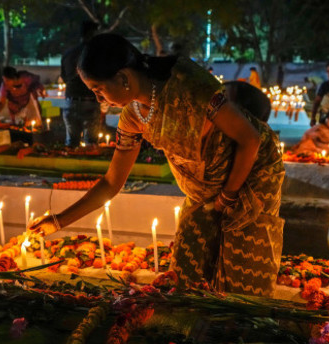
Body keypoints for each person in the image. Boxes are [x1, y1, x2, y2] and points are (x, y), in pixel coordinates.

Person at [30, 34, 285, 295]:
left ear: (122, 78)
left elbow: (250, 140)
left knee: (241, 272)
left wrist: (228, 197)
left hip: (252, 170)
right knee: (187, 273)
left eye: (98, 89)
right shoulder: (133, 117)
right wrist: (58, 221)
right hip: (204, 184)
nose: (98, 99)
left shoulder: (189, 85)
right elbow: (111, 182)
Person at [61, 21, 101, 147]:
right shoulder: (95, 54)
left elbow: (64, 77)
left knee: (71, 143)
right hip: (90, 101)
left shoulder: (68, 54)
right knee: (91, 144)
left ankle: (69, 164)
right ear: (93, 33)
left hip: (70, 101)